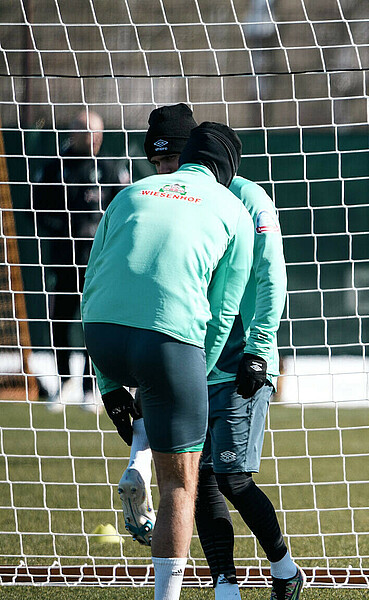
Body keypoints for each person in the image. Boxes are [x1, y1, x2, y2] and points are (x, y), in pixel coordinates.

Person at [132, 103, 304, 600]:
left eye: (171, 160)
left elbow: (272, 278)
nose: (164, 173)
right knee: (197, 476)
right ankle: (224, 586)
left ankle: (286, 569)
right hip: (189, 355)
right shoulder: (161, 198)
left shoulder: (249, 199)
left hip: (241, 357)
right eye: (156, 164)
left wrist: (260, 348)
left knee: (231, 475)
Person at [82, 121, 254, 600]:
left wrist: (108, 381)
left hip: (102, 334)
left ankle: (139, 441)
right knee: (179, 486)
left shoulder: (131, 192)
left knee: (154, 431)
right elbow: (221, 314)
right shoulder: (235, 209)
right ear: (227, 168)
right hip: (168, 340)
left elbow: (92, 280)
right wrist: (195, 377)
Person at [31, 109, 129, 404]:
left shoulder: (111, 166)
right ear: (73, 133)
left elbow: (124, 209)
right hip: (63, 261)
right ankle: (63, 383)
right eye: (88, 131)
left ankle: (91, 388)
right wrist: (67, 229)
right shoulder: (55, 167)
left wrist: (99, 233)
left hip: (98, 265)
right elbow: (35, 209)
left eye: (98, 131)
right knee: (60, 322)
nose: (95, 138)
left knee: (95, 324)